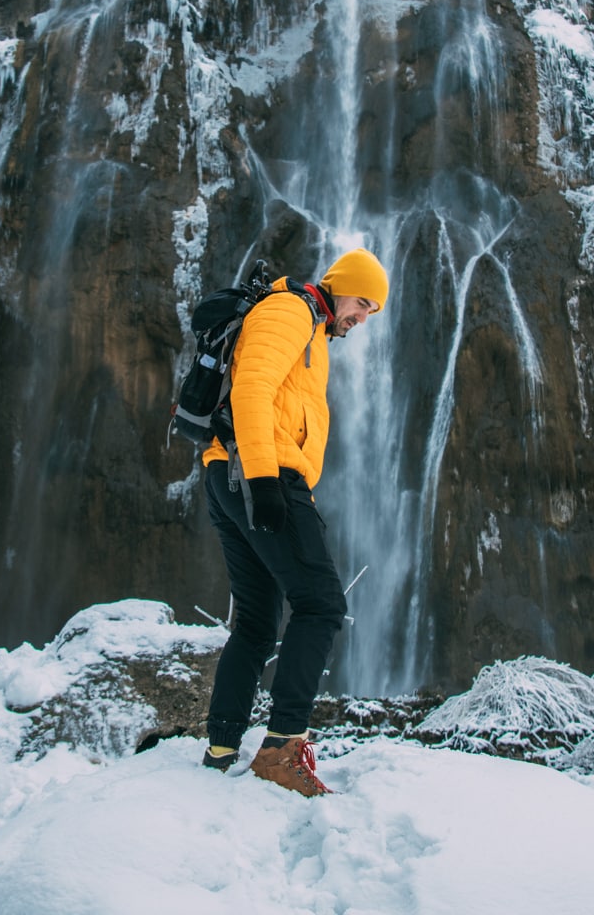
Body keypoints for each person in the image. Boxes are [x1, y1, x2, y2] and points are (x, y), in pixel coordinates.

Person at [198, 247, 389, 797]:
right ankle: (283, 749)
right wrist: (262, 481)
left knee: (257, 622)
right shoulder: (292, 312)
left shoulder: (311, 326)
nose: (362, 317)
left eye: (372, 311)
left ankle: (221, 747)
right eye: (361, 302)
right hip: (260, 469)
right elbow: (252, 388)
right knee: (322, 603)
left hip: (230, 470)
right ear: (339, 286)